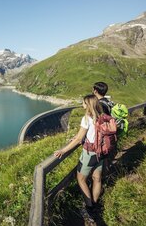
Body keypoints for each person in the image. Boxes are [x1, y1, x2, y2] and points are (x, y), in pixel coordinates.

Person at [54, 94, 103, 222]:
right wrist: (78, 137)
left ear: (88, 105)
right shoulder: (102, 116)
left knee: (81, 179)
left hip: (90, 153)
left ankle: (89, 208)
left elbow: (78, 139)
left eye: (83, 103)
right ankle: (95, 203)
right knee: (97, 178)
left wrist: (63, 150)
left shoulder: (86, 118)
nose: (82, 105)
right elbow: (88, 134)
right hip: (102, 152)